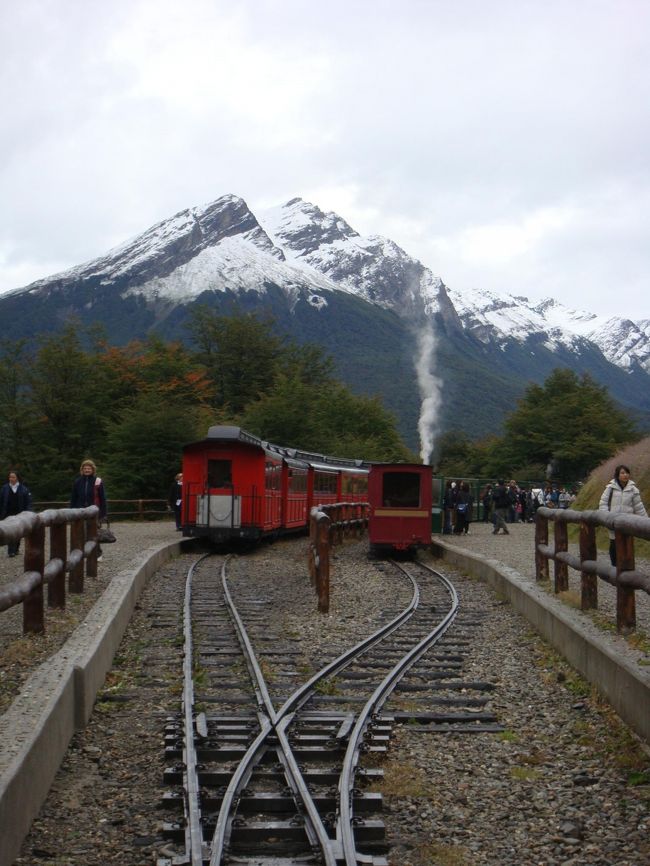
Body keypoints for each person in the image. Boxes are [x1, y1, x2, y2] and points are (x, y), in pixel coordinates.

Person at [598, 464, 647, 566]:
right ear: (617, 475)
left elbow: (639, 507)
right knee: (614, 543)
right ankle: (615, 566)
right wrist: (606, 517)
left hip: (628, 522)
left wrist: (646, 522)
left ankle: (627, 566)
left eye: (627, 473)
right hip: (613, 521)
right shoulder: (610, 488)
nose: (625, 475)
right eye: (622, 473)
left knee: (627, 544)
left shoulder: (633, 489)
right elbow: (603, 503)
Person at [70, 459, 107, 560]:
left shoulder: (97, 481)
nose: (87, 470)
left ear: (92, 469)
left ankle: (98, 553)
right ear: (82, 469)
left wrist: (103, 514)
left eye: (89, 468)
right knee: (81, 533)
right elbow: (73, 497)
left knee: (94, 532)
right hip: (80, 510)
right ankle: (84, 553)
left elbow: (102, 498)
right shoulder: (77, 481)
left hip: (94, 511)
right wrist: (72, 511)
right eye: (85, 468)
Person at [0, 471, 33, 557]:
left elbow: (28, 502)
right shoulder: (4, 488)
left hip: (19, 513)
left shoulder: (24, 489)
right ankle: (11, 551)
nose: (11, 479)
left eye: (13, 477)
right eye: (10, 477)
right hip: (7, 513)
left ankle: (16, 549)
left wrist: (28, 512)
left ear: (17, 478)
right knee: (10, 531)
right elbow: (1, 501)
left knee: (18, 532)